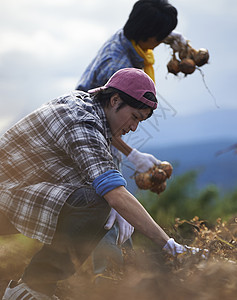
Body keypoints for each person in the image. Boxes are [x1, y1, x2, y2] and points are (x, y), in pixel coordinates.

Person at [1, 68, 194, 299]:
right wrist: (169, 245)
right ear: (115, 100)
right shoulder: (83, 121)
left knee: (99, 200)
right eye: (134, 117)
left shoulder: (90, 106)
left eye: (139, 121)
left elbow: (102, 172)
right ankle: (32, 289)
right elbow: (114, 193)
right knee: (95, 202)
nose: (134, 127)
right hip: (7, 194)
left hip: (18, 192)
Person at [75, 0, 187, 279]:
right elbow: (101, 125)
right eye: (159, 39)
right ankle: (110, 285)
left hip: (101, 130)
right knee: (107, 215)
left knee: (120, 219)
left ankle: (124, 278)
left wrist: (177, 40)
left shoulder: (130, 39)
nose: (159, 44)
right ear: (147, 34)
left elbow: (115, 120)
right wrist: (132, 155)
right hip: (87, 137)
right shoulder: (119, 64)